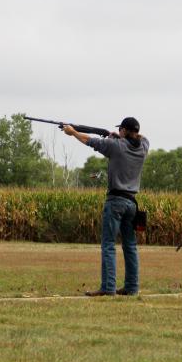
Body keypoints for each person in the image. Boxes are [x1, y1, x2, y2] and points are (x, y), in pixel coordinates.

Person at [63, 117, 150, 296]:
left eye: (121, 130)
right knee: (130, 246)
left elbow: (89, 140)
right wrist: (120, 135)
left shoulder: (116, 146)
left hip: (116, 200)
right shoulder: (144, 146)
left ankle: (108, 287)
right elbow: (140, 137)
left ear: (124, 131)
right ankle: (132, 287)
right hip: (132, 202)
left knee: (109, 244)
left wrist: (72, 133)